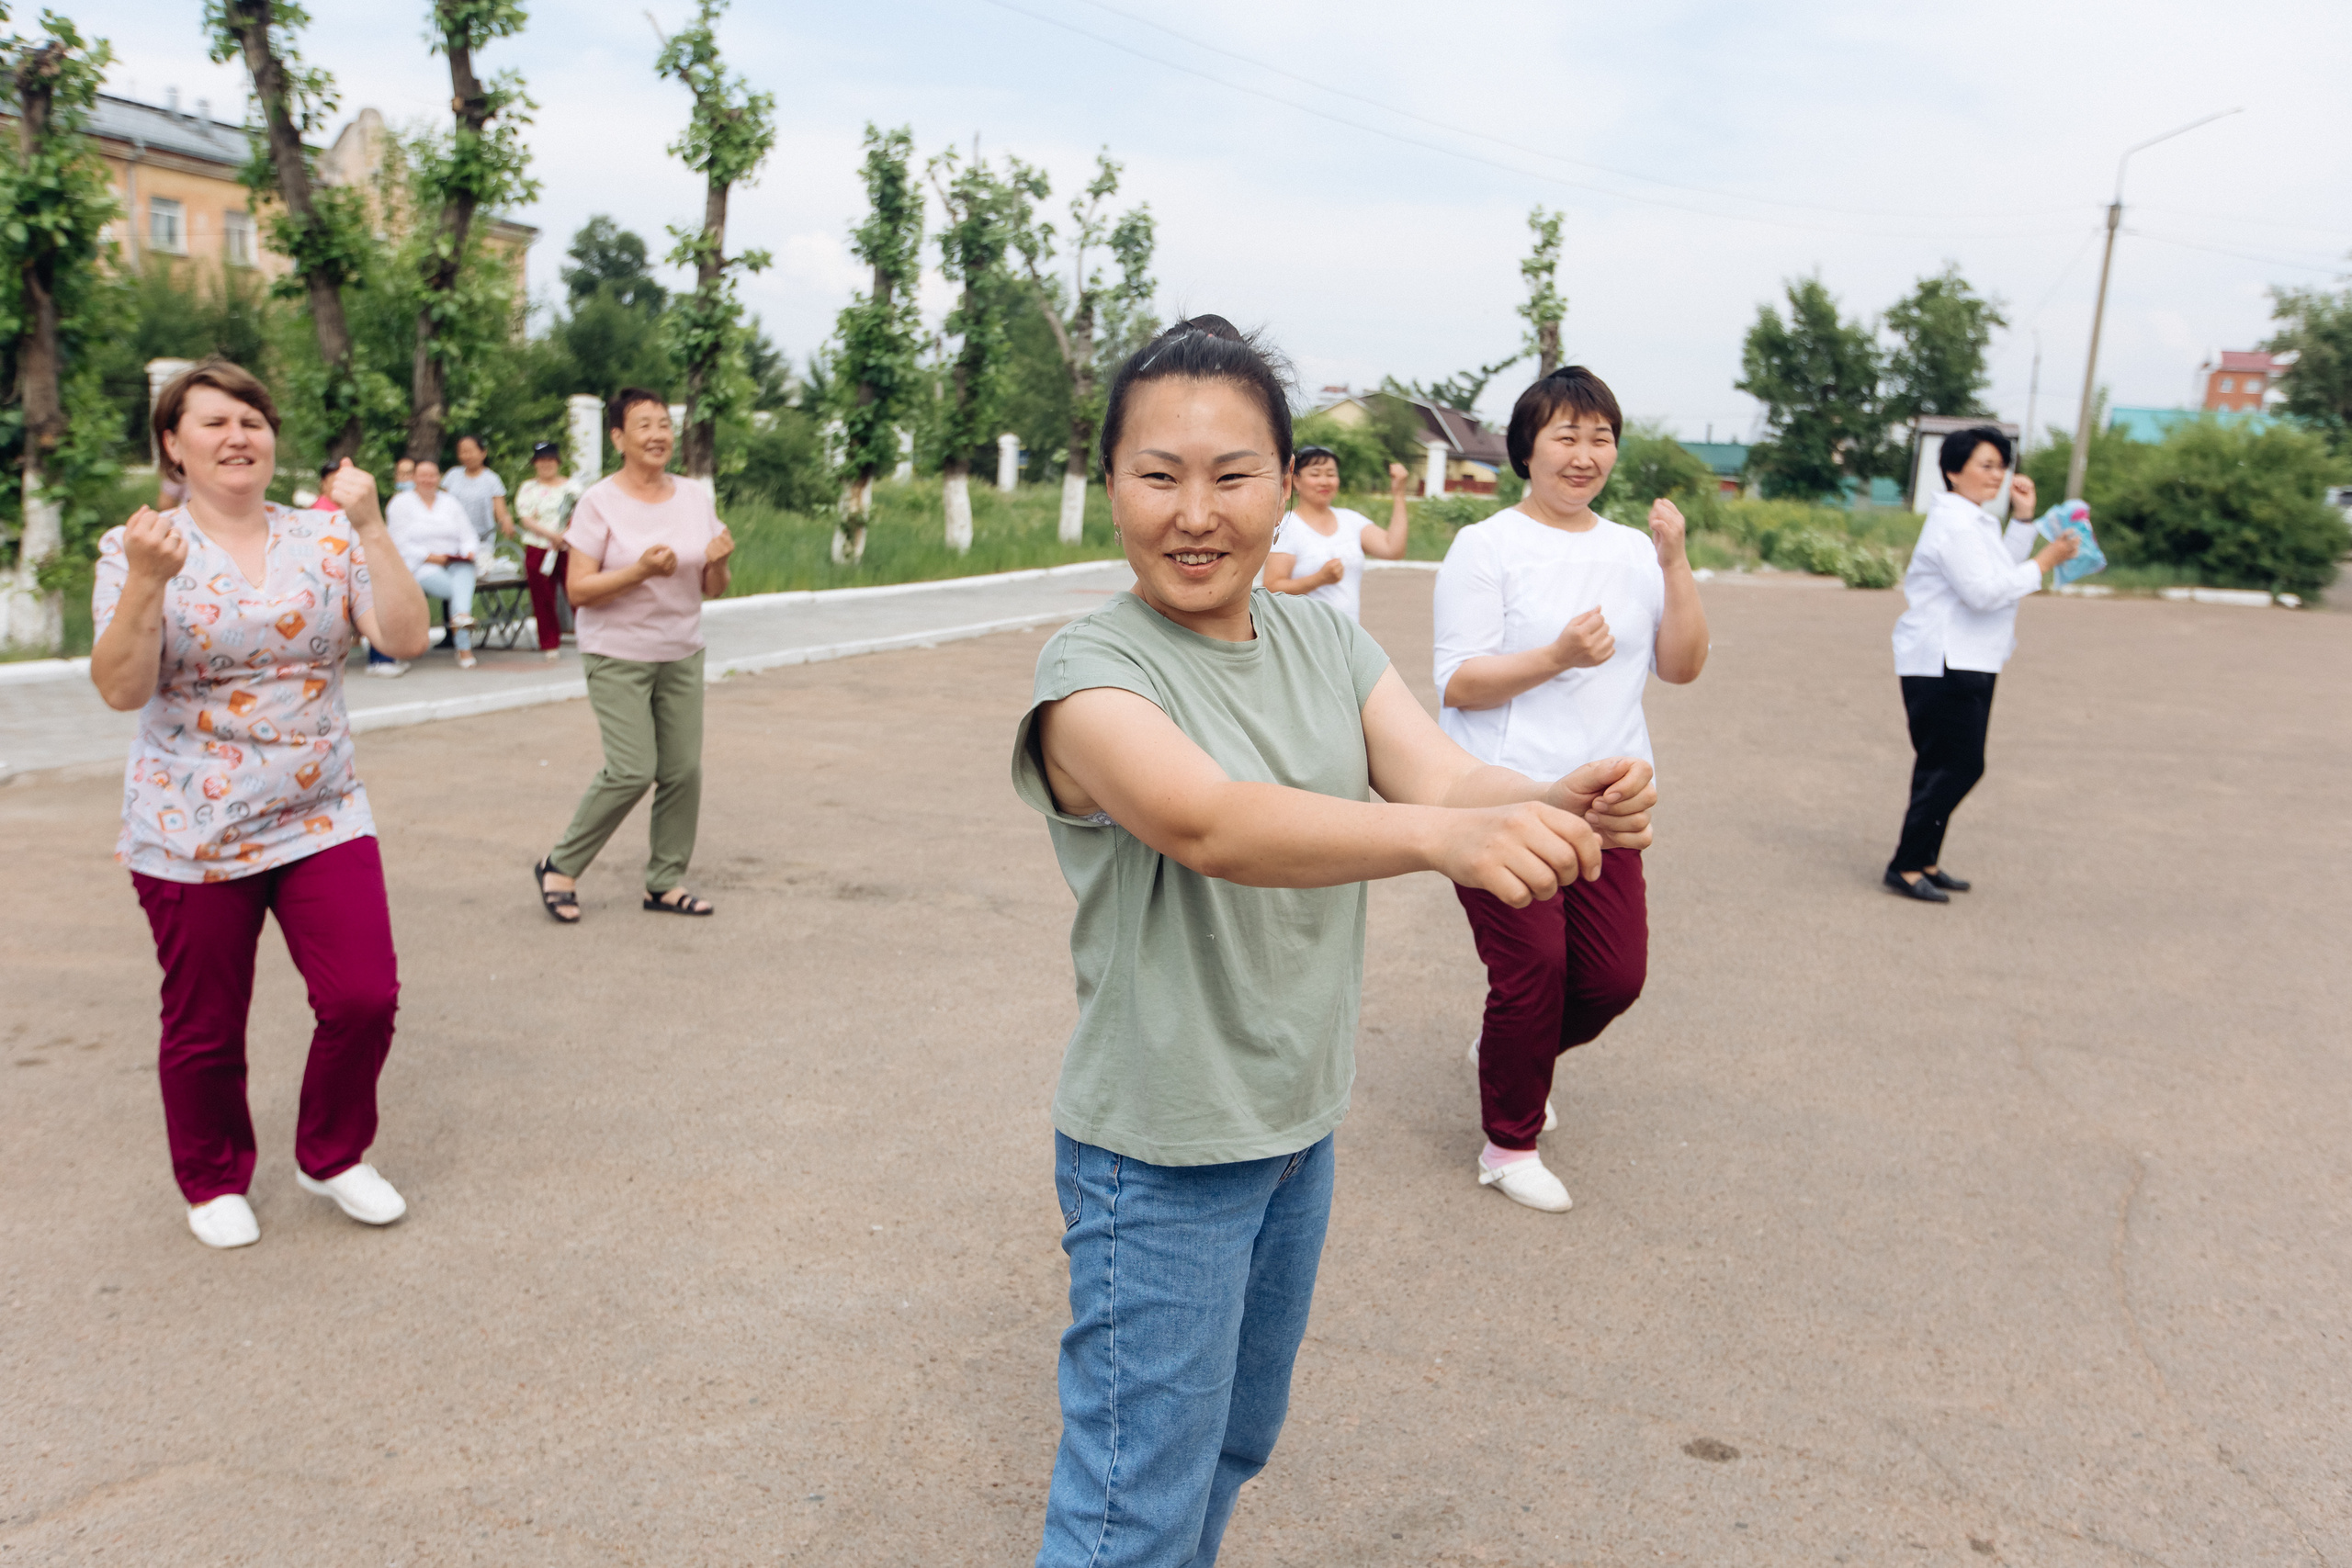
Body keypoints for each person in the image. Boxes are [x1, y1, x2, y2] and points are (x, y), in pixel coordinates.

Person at [1017, 317, 1657, 1566]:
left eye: (1232, 473)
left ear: (1287, 482)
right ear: (1110, 487)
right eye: (1159, 475)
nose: (1195, 512)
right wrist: (1434, 838)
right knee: (1128, 1503)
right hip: (1159, 1149)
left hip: (1291, 1125)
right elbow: (1212, 822)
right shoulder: (1086, 673)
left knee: (1232, 1445)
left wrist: (1556, 798)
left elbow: (1444, 772)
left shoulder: (1322, 635)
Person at [87, 357, 430, 1250]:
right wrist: (143, 582)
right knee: (205, 1024)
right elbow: (122, 690)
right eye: (212, 422)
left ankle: (333, 1154)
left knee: (363, 997)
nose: (238, 436)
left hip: (322, 811)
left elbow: (404, 639)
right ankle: (211, 1177)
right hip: (192, 828)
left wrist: (371, 525)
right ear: (172, 445)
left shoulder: (325, 539)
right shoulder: (140, 547)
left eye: (252, 419)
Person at [1430, 365, 1709, 1213]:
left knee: (1613, 979)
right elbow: (1458, 682)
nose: (1585, 454)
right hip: (1505, 797)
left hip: (1610, 800)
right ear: (1526, 448)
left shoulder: (1632, 551)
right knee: (1536, 967)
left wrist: (1677, 561)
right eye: (1566, 436)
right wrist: (1554, 655)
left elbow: (1682, 665)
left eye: (1600, 437)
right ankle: (1508, 1143)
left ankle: (1510, 1049)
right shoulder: (1486, 546)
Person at [534, 390, 734, 923]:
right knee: (631, 769)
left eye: (664, 424)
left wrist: (720, 561)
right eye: (643, 425)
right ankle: (560, 865)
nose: (657, 435)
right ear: (619, 439)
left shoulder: (694, 497)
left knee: (683, 770)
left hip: (681, 650)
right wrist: (640, 571)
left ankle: (665, 882)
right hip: (617, 653)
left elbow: (713, 586)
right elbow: (577, 590)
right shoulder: (599, 502)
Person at [1885, 425, 2077, 902]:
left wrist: (2025, 518)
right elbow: (1985, 592)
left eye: (2002, 465)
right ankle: (1906, 865)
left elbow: (2001, 570)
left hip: (1969, 658)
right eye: (1985, 465)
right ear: (1953, 470)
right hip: (1942, 660)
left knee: (1944, 766)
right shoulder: (1953, 524)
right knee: (1959, 766)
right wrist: (2046, 561)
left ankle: (1923, 860)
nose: (1998, 476)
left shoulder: (1973, 520)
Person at [1261, 448, 1412, 620]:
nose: (1324, 481)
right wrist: (1319, 579)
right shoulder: (1288, 525)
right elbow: (1272, 587)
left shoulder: (1350, 520)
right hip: (1306, 636)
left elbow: (1393, 550)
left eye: (1331, 474)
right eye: (1315, 474)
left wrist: (1399, 494)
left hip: (1348, 635)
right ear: (1296, 480)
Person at [386, 458, 481, 670]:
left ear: (438, 477)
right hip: (420, 564)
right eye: (423, 475)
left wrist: (468, 551)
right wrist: (430, 556)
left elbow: (468, 535)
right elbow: (398, 543)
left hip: (454, 561)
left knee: (465, 570)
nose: (428, 480)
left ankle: (462, 624)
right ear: (414, 478)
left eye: (432, 475)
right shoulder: (401, 503)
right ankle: (464, 641)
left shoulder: (450, 502)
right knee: (458, 590)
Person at [512, 440, 582, 662]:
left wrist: (565, 534)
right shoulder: (528, 488)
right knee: (543, 597)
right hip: (539, 546)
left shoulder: (573, 487)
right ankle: (550, 642)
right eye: (541, 461)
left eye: (550, 460)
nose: (546, 465)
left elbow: (582, 514)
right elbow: (525, 518)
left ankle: (588, 637)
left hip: (568, 545)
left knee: (577, 592)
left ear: (557, 462)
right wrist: (550, 535)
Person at [443, 432, 513, 563]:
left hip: (482, 538)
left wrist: (506, 520)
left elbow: (500, 511)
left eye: (470, 451)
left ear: (483, 453)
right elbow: (441, 504)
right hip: (452, 537)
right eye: (462, 452)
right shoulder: (452, 475)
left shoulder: (492, 479)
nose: (466, 456)